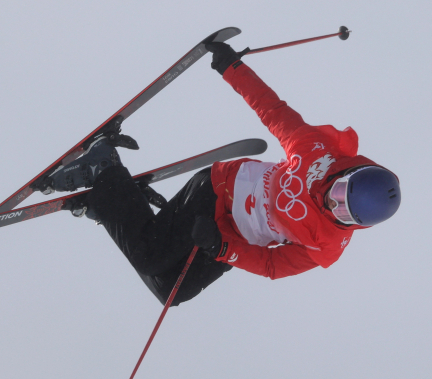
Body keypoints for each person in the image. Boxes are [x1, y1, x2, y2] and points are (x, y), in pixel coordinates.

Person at [45, 42, 401, 305]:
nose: (330, 202)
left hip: (228, 234)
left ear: (355, 225)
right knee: (149, 256)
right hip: (217, 191)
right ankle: (104, 166)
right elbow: (273, 110)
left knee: (170, 292)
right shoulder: (315, 152)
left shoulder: (327, 244)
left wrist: (224, 248)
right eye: (339, 193)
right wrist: (233, 68)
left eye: (341, 211)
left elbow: (273, 265)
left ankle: (114, 202)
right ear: (346, 176)